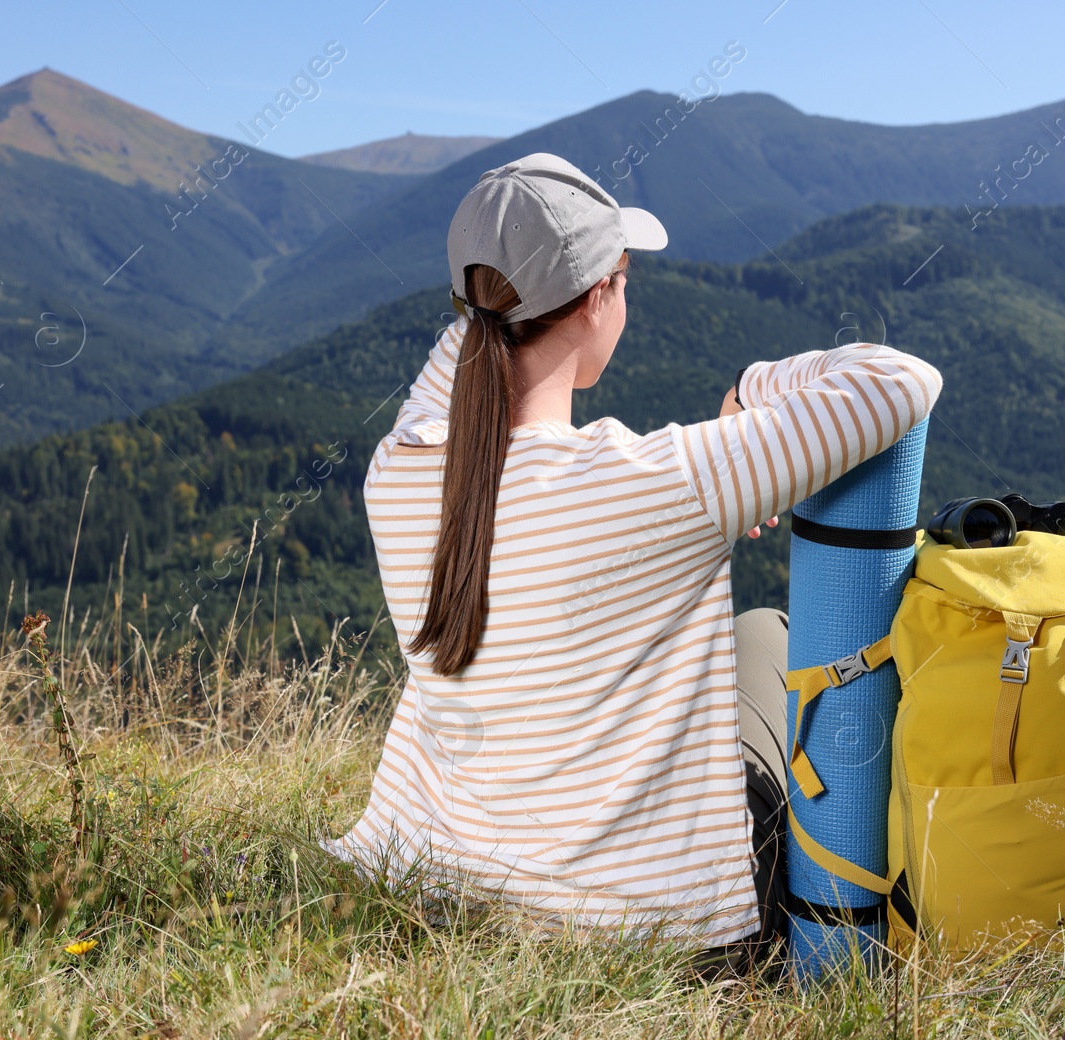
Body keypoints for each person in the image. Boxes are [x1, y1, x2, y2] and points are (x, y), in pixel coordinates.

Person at [326, 153, 941, 971]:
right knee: (768, 632)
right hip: (664, 934)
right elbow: (901, 381)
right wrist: (751, 389)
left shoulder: (398, 467)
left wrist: (500, 291)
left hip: (455, 889)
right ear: (597, 298)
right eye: (623, 274)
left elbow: (465, 347)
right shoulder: (662, 481)